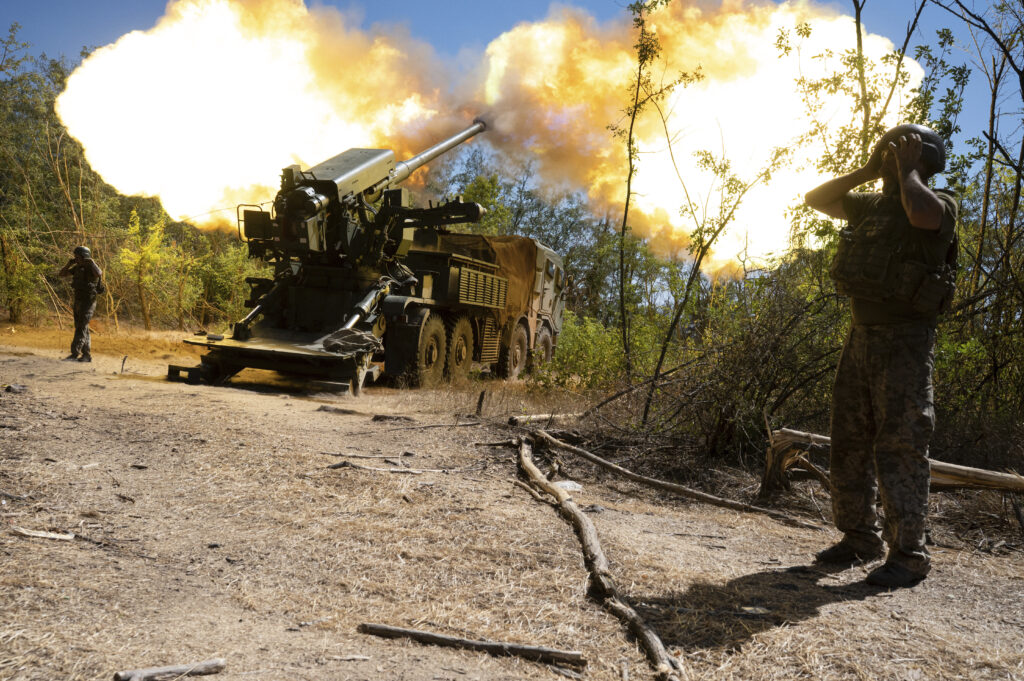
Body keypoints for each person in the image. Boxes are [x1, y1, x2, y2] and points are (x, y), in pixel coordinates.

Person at [804, 124, 958, 588]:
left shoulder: (938, 202)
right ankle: (859, 539)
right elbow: (817, 199)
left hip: (906, 341)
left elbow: (921, 214)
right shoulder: (870, 206)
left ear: (926, 159)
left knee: (900, 446)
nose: (891, 160)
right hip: (862, 337)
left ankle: (909, 556)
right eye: (888, 154)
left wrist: (910, 172)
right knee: (848, 439)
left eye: (902, 153)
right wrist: (869, 170)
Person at [58, 245, 103, 363]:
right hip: (78, 300)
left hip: (88, 301)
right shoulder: (77, 268)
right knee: (82, 327)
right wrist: (69, 263)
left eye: (78, 257)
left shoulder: (91, 268)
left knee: (81, 326)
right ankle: (86, 355)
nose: (76, 259)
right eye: (75, 257)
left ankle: (75, 353)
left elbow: (99, 273)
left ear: (85, 257)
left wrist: (92, 262)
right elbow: (62, 274)